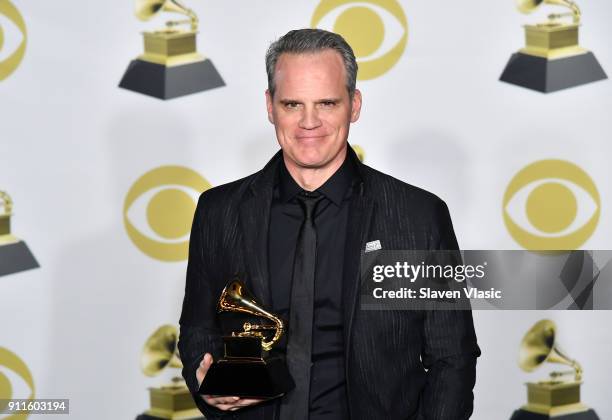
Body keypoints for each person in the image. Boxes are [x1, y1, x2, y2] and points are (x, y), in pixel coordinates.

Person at [178, 28, 480, 420]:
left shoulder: (416, 215)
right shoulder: (219, 211)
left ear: (354, 105)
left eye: (326, 103)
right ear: (269, 106)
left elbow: (451, 358)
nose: (309, 122)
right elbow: (198, 328)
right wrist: (207, 386)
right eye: (292, 104)